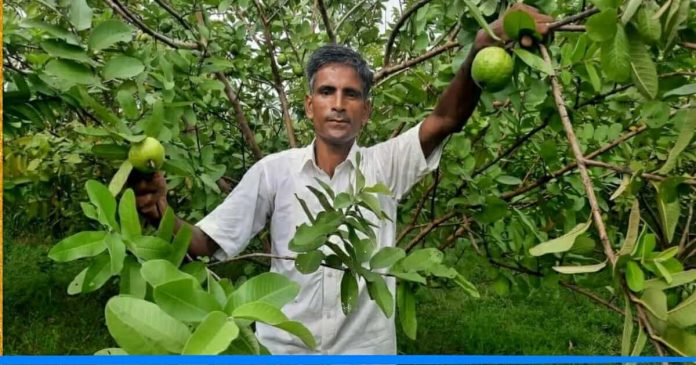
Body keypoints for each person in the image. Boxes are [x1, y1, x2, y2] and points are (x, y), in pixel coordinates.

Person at [132, 4, 553, 354]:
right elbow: (210, 243)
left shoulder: (386, 166)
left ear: (366, 111)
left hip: (365, 350)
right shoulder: (272, 172)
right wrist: (159, 213)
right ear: (309, 106)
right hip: (284, 349)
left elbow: (445, 119)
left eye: (351, 94)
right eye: (327, 93)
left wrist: (479, 51)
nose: (338, 104)